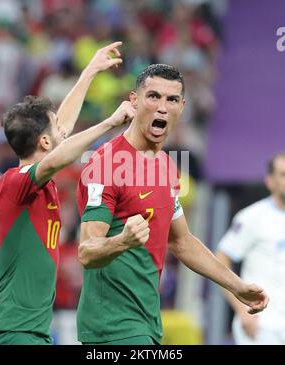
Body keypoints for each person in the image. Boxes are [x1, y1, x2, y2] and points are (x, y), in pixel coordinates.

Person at [76, 64, 269, 345]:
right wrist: (122, 241)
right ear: (133, 101)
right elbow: (87, 251)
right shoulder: (107, 164)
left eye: (172, 99)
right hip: (112, 326)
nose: (162, 107)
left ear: (182, 106)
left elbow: (182, 242)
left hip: (147, 323)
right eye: (153, 96)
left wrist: (237, 286)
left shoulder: (166, 167)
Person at [0, 41, 135, 345]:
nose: (64, 130)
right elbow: (60, 155)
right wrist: (109, 123)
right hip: (11, 332)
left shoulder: (36, 176)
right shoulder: (15, 182)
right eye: (56, 129)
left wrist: (89, 72)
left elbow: (60, 135)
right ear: (43, 141)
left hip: (32, 331)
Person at [216, 152, 285, 345]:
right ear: (270, 181)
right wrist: (241, 310)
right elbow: (220, 260)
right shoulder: (252, 217)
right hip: (262, 326)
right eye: (283, 174)